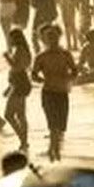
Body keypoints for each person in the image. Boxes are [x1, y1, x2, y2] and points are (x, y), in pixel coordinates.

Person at [32, 25, 78, 161]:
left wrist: (68, 79)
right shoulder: (41, 56)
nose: (52, 40)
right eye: (49, 38)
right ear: (45, 39)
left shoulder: (65, 54)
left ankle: (54, 149)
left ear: (59, 38)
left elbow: (75, 70)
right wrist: (43, 80)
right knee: (53, 124)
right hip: (48, 92)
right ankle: (54, 151)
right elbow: (33, 74)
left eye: (54, 37)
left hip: (62, 92)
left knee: (61, 125)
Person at [3, 28, 32, 152]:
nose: (9, 40)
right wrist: (9, 87)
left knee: (8, 115)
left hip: (19, 83)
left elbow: (16, 66)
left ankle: (23, 140)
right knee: (20, 115)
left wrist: (7, 57)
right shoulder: (23, 49)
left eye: (10, 38)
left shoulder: (19, 49)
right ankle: (24, 141)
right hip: (19, 82)